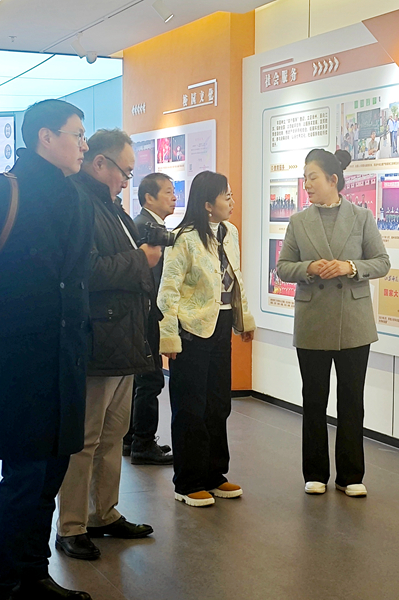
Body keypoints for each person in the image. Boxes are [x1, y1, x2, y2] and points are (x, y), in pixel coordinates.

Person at [0, 98, 93, 600]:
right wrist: (2, 340)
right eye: (76, 134)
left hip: (67, 360)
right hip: (21, 364)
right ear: (46, 138)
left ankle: (32, 573)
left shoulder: (77, 197)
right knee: (24, 478)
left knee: (51, 474)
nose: (83, 144)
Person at [56, 129, 159, 561]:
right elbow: (88, 271)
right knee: (86, 438)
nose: (126, 181)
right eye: (124, 172)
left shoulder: (112, 207)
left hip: (124, 337)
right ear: (100, 163)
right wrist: (141, 260)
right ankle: (72, 524)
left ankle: (104, 512)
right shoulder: (80, 204)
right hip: (98, 339)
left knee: (114, 433)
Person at [276, 149, 390, 498]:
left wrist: (349, 267)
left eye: (312, 177)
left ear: (333, 180)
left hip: (353, 322)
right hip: (312, 321)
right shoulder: (299, 221)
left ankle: (350, 475)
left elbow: (382, 262)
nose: (307, 184)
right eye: (305, 178)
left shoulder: (361, 217)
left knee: (352, 400)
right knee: (313, 399)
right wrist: (309, 268)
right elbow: (283, 267)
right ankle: (315, 473)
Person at [158, 171, 256, 507]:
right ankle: (187, 482)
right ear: (207, 204)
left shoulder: (230, 232)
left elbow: (234, 279)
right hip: (191, 330)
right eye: (226, 197)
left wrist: (244, 319)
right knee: (190, 406)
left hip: (222, 324)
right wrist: (168, 337)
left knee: (219, 403)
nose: (232, 202)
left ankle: (215, 475)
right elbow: (168, 291)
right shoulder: (183, 238)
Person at [123, 172, 177, 465]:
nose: (174, 197)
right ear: (149, 197)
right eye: (167, 192)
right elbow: (151, 278)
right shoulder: (146, 228)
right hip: (146, 314)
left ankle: (131, 438)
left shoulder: (147, 225)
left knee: (141, 378)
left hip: (144, 313)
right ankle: (143, 443)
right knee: (150, 379)